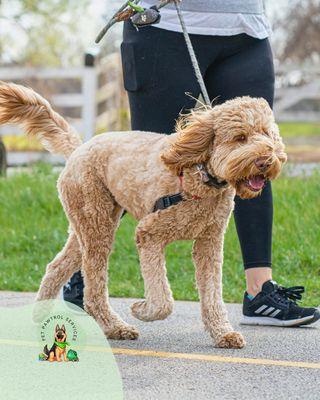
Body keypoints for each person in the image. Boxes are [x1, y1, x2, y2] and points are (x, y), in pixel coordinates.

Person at [64, 0, 319, 327]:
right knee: (146, 166)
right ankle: (83, 277)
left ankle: (259, 292)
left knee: (254, 160)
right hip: (163, 25)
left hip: (246, 28)